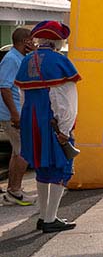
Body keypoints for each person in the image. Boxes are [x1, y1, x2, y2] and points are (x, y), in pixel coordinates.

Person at [15, 21, 80, 233]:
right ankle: (51, 218)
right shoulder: (59, 62)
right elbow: (65, 100)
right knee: (62, 167)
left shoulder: (26, 61)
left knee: (42, 168)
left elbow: (22, 96)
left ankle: (43, 216)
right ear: (57, 41)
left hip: (31, 120)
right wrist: (65, 128)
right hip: (51, 121)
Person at [1, 28, 35, 205]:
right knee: (24, 152)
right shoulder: (12, 60)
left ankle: (13, 191)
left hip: (17, 113)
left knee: (17, 152)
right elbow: (4, 88)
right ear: (25, 41)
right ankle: (14, 191)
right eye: (32, 40)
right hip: (13, 115)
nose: (34, 43)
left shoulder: (20, 58)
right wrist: (15, 114)